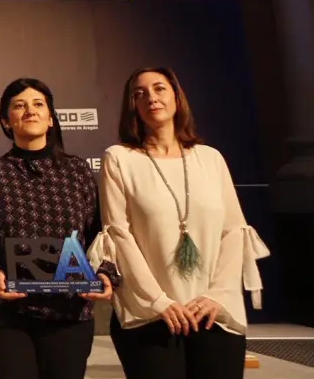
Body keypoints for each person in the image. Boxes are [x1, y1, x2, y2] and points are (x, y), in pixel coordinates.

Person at [92, 67, 270, 379]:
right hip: (151, 315)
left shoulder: (210, 158)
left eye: (159, 88)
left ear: (177, 97)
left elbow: (234, 232)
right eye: (139, 94)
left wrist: (217, 295)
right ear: (132, 105)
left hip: (214, 312)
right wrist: (158, 301)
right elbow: (119, 236)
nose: (151, 98)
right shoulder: (119, 158)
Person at [0, 78, 118, 379]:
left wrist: (104, 273)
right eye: (19, 105)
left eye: (38, 104)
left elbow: (99, 236)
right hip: (5, 317)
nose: (30, 111)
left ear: (51, 118)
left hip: (69, 315)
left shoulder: (78, 171)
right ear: (5, 121)